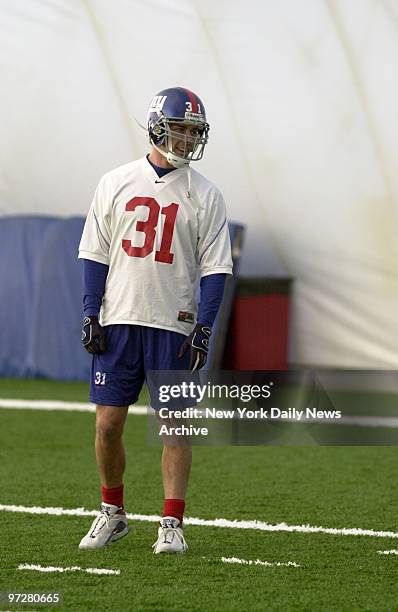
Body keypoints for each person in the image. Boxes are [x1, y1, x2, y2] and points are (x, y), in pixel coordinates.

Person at [77, 87, 233, 553]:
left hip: (174, 324)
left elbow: (216, 267)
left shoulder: (206, 194)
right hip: (120, 318)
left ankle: (171, 523)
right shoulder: (115, 182)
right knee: (107, 424)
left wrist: (204, 326)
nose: (186, 139)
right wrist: (90, 312)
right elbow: (94, 252)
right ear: (156, 125)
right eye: (180, 128)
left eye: (194, 131)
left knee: (175, 426)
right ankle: (112, 511)